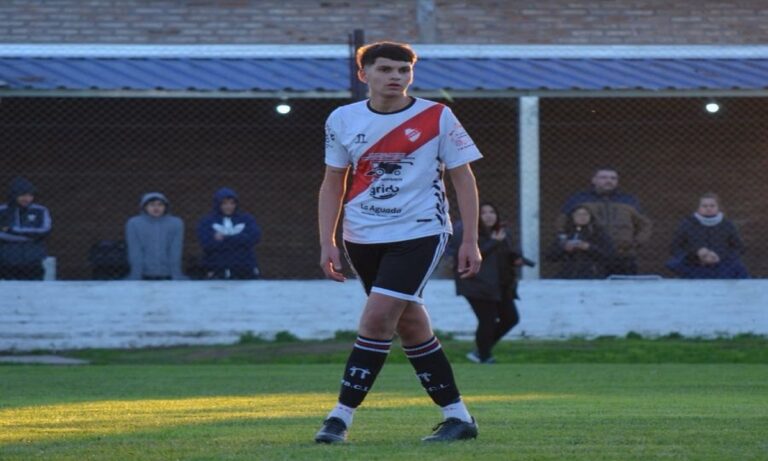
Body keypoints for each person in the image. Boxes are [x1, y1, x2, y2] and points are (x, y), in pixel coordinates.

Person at [315, 41, 483, 444]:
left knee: (377, 319)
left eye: (403, 70)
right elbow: (333, 181)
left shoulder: (437, 116)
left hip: (420, 231)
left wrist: (470, 239)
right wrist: (327, 240)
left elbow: (463, 178)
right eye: (385, 69)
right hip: (361, 235)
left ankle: (339, 419)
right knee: (409, 323)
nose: (396, 76)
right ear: (364, 75)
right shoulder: (342, 118)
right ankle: (458, 418)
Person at [448, 202, 524, 364]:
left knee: (510, 318)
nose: (489, 216)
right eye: (483, 213)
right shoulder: (468, 234)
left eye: (492, 212)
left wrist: (516, 258)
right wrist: (494, 242)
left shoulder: (501, 233)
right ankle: (484, 355)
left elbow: (508, 253)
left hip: (501, 285)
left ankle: (481, 351)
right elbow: (470, 256)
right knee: (487, 320)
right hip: (476, 284)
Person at [558, 167, 651, 275]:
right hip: (589, 255)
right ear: (594, 180)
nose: (609, 181)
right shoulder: (578, 199)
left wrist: (636, 242)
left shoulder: (629, 200)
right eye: (603, 177)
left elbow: (645, 224)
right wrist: (567, 241)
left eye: (613, 178)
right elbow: (562, 222)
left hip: (623, 254)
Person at [666, 193, 748, 279]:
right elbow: (675, 247)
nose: (708, 208)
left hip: (722, 265)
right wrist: (696, 254)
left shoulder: (727, 225)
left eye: (712, 206)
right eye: (704, 206)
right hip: (694, 265)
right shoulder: (687, 224)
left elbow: (739, 247)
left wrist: (719, 256)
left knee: (739, 268)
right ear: (698, 208)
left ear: (718, 207)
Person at [197, 187, 262, 280]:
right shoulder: (207, 221)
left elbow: (254, 237)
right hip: (216, 267)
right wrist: (239, 240)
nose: (229, 206)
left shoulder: (246, 219)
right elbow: (207, 243)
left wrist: (224, 238)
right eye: (224, 203)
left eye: (232, 203)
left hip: (245, 267)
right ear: (218, 204)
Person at [125, 192, 186, 280]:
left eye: (160, 204)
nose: (156, 208)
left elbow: (175, 250)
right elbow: (135, 250)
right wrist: (136, 275)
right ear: (144, 207)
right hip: (143, 274)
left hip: (169, 273)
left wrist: (176, 275)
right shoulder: (134, 223)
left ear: (166, 207)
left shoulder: (176, 223)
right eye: (152, 205)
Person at [0, 177, 52, 280]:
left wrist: (11, 230)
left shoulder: (40, 210)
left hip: (33, 260)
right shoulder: (2, 211)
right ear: (14, 195)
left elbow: (45, 231)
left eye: (30, 195)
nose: (27, 199)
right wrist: (31, 236)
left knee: (35, 286)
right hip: (6, 260)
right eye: (23, 195)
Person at [547, 205, 613, 279]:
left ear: (590, 216)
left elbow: (609, 254)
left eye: (585, 214)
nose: (582, 217)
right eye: (578, 214)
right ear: (572, 217)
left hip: (593, 273)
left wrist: (589, 247)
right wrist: (564, 248)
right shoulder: (566, 233)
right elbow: (550, 255)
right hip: (569, 273)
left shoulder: (598, 233)